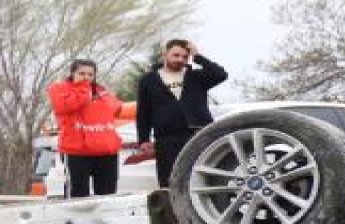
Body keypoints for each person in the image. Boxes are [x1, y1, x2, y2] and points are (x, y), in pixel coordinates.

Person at [135, 39, 227, 187]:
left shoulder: (196, 76)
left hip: (198, 133)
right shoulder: (148, 80)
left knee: (203, 178)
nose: (180, 59)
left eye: (184, 57)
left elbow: (221, 75)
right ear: (165, 54)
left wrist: (198, 56)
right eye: (176, 55)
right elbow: (144, 111)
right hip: (167, 138)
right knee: (170, 182)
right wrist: (144, 139)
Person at [47, 59, 123, 197]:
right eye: (82, 73)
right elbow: (64, 106)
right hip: (77, 151)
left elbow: (116, 109)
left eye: (90, 75)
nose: (86, 77)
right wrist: (83, 89)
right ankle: (77, 219)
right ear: (72, 73)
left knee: (108, 195)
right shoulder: (59, 88)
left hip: (106, 151)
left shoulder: (101, 91)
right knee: (78, 195)